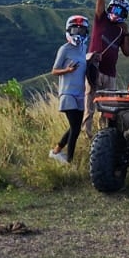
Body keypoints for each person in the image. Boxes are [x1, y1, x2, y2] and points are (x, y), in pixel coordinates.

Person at [84, 0, 129, 135]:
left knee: (108, 108)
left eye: (120, 12)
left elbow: (127, 53)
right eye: (114, 9)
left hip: (110, 74)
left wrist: (126, 33)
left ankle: (104, 134)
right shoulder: (100, 19)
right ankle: (87, 134)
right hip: (94, 68)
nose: (115, 13)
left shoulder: (121, 30)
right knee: (89, 103)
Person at [48, 14, 91, 164]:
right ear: (68, 31)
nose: (78, 34)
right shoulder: (64, 49)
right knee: (75, 127)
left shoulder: (84, 48)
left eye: (82, 31)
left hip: (80, 94)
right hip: (67, 93)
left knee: (76, 127)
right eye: (75, 30)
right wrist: (67, 70)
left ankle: (56, 151)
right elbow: (54, 70)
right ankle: (70, 161)